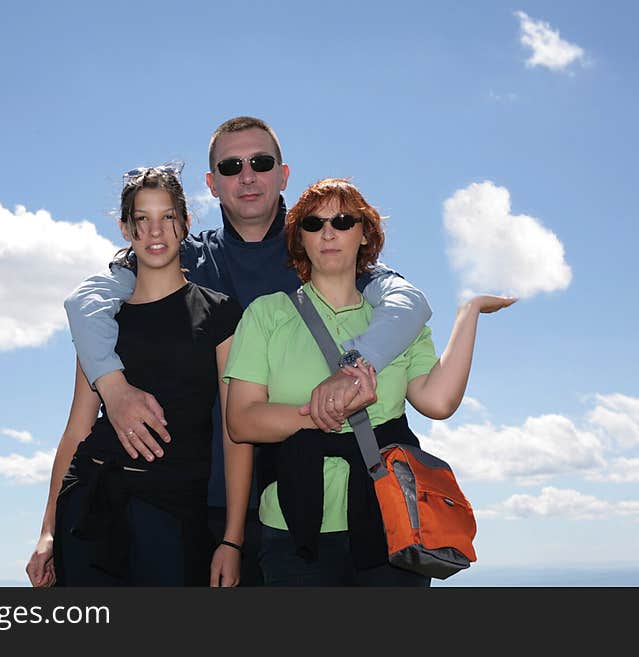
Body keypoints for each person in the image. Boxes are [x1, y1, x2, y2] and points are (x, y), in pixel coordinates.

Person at [61, 117, 433, 585]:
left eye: (260, 162)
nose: (247, 175)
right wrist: (113, 388)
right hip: (199, 507)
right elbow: (87, 301)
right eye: (231, 166)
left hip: (321, 510)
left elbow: (408, 301)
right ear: (211, 184)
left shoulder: (322, 244)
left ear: (284, 174)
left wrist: (354, 367)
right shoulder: (180, 257)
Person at [223, 178, 515, 586]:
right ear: (298, 239)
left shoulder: (396, 326)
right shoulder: (266, 315)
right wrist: (323, 412)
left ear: (365, 235)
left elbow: (437, 402)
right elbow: (241, 420)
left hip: (389, 523)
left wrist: (469, 313)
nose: (328, 233)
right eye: (313, 223)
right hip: (292, 527)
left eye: (343, 221)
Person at [26, 164, 251, 586]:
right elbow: (77, 427)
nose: (155, 232)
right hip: (88, 505)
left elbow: (233, 431)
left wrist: (232, 539)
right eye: (142, 220)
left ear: (184, 223)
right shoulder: (103, 321)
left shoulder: (221, 313)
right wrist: (47, 531)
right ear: (125, 228)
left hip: (172, 512)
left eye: (167, 217)